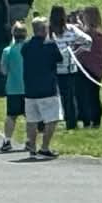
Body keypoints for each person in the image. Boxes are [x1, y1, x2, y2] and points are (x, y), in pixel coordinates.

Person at [21, 17, 65, 159]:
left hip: (30, 89)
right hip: (48, 89)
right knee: (52, 119)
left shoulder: (26, 46)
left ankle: (32, 147)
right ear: (44, 30)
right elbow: (59, 58)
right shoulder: (50, 45)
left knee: (32, 120)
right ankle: (44, 147)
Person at [48, 5, 92, 131]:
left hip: (56, 68)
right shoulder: (69, 29)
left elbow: (88, 41)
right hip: (66, 68)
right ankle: (70, 122)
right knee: (69, 97)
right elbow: (88, 40)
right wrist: (76, 52)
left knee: (57, 97)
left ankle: (58, 121)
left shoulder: (51, 31)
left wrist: (75, 53)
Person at [76, 6, 102, 129]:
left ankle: (87, 120)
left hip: (87, 67)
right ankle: (95, 121)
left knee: (85, 95)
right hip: (97, 68)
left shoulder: (89, 33)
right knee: (94, 95)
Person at [0, 22, 28, 152]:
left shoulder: (7, 51)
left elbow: (3, 71)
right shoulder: (29, 49)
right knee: (30, 117)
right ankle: (30, 141)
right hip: (28, 87)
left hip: (13, 88)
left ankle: (7, 140)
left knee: (11, 116)